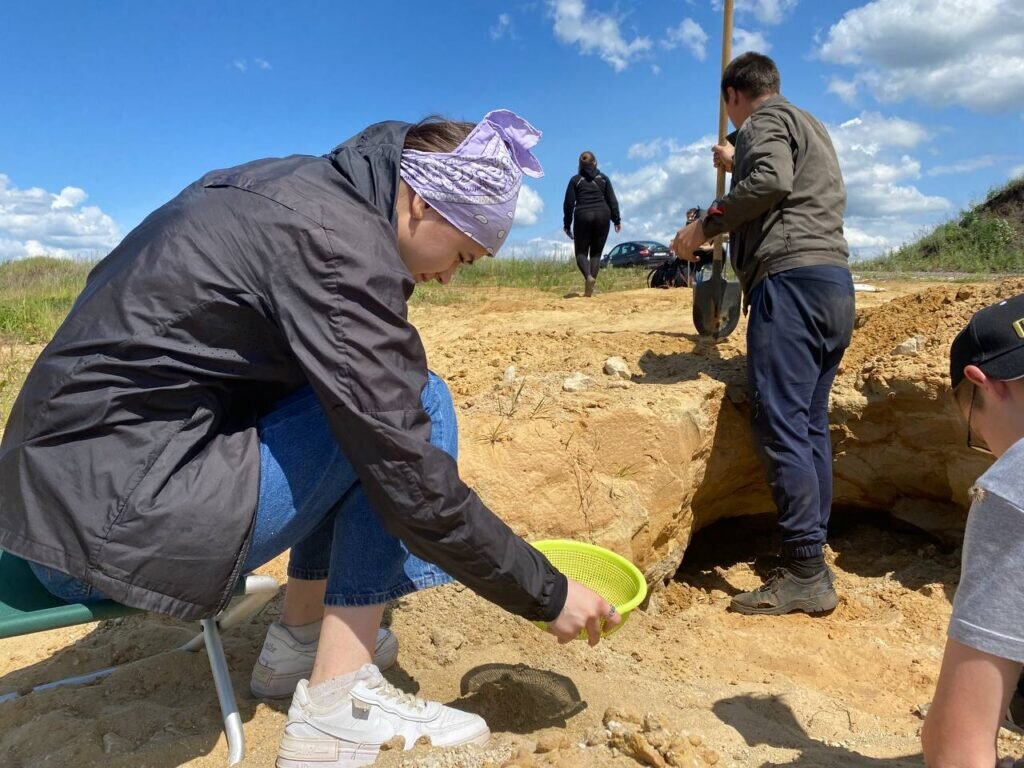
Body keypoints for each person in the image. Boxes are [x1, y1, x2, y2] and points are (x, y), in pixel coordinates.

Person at [0, 109, 619, 767]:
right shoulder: (339, 246)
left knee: (353, 406)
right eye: (463, 255)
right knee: (420, 404)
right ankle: (337, 703)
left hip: (58, 500)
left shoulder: (293, 191)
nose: (447, 279)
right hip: (106, 527)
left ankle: (298, 642)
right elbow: (410, 476)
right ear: (420, 201)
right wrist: (545, 591)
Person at [670, 52, 854, 615]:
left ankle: (804, 571)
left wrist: (703, 225)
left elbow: (771, 179)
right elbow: (780, 173)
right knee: (808, 424)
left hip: (790, 283)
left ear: (733, 96)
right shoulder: (808, 123)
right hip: (832, 284)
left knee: (782, 425)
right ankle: (811, 550)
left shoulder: (762, 122)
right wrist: (737, 156)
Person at [922, 293, 1024, 768]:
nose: (989, 448)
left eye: (975, 431)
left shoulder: (1012, 487)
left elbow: (955, 749)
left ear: (984, 383)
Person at [563, 151, 621, 297]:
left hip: (583, 214)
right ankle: (591, 287)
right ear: (595, 162)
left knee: (581, 253)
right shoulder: (604, 179)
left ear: (580, 165)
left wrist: (567, 224)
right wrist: (616, 219)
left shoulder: (575, 180)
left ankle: (588, 277)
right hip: (603, 214)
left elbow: (568, 204)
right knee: (596, 253)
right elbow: (612, 200)